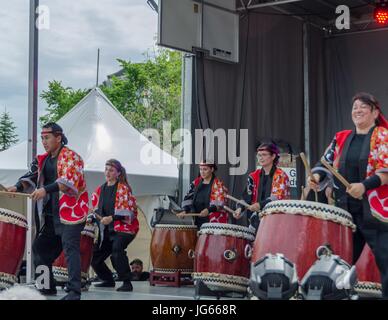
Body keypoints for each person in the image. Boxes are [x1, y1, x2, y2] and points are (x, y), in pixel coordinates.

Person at [308, 92, 388, 299]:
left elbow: (386, 170)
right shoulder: (341, 137)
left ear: (375, 112)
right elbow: (324, 163)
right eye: (354, 107)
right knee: (340, 262)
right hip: (345, 211)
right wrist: (315, 177)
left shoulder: (382, 135)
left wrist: (364, 185)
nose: (357, 110)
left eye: (363, 107)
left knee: (386, 260)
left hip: (376, 213)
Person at [7, 123, 89, 300]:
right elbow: (32, 175)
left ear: (58, 138)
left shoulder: (71, 157)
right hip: (51, 214)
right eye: (42, 138)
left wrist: (45, 190)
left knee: (70, 248)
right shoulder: (43, 159)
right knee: (40, 248)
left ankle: (75, 292)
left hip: (71, 212)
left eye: (47, 137)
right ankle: (46, 287)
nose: (44, 141)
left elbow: (67, 181)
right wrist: (16, 186)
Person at [90, 159, 139, 292]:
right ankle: (108, 280)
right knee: (94, 257)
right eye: (106, 169)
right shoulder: (100, 190)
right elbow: (95, 210)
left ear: (118, 173)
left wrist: (111, 218)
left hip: (124, 229)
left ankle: (127, 282)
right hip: (107, 230)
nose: (107, 172)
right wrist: (93, 217)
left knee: (117, 250)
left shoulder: (123, 189)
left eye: (111, 170)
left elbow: (128, 213)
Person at [233, 142, 291, 229]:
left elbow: (276, 198)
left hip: (276, 220)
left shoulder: (280, 175)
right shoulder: (253, 176)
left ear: (273, 156)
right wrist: (240, 209)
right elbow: (246, 197)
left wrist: (259, 205)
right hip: (256, 221)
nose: (260, 158)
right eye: (259, 155)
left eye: (264, 155)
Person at [177, 160, 228, 228]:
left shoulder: (218, 184)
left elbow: (220, 204)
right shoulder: (196, 183)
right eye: (201, 169)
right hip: (198, 220)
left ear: (212, 169)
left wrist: (208, 210)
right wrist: (185, 211)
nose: (202, 172)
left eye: (205, 169)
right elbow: (188, 199)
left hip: (214, 222)